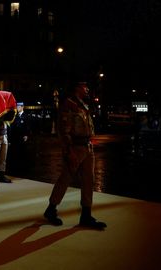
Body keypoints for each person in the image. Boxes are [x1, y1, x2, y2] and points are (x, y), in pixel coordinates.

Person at [43, 82, 107, 229]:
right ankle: (51, 209)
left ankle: (86, 215)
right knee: (65, 179)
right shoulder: (68, 104)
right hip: (75, 147)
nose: (87, 89)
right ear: (77, 88)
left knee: (88, 181)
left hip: (86, 146)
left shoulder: (82, 105)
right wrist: (68, 150)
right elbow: (63, 130)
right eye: (84, 86)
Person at [7, 102, 31, 174]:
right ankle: (14, 167)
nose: (17, 108)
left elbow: (28, 126)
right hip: (14, 136)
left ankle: (22, 167)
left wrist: (26, 135)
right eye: (17, 107)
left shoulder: (26, 116)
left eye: (19, 107)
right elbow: (11, 127)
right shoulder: (15, 116)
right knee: (14, 152)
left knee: (22, 151)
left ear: (22, 107)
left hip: (21, 136)